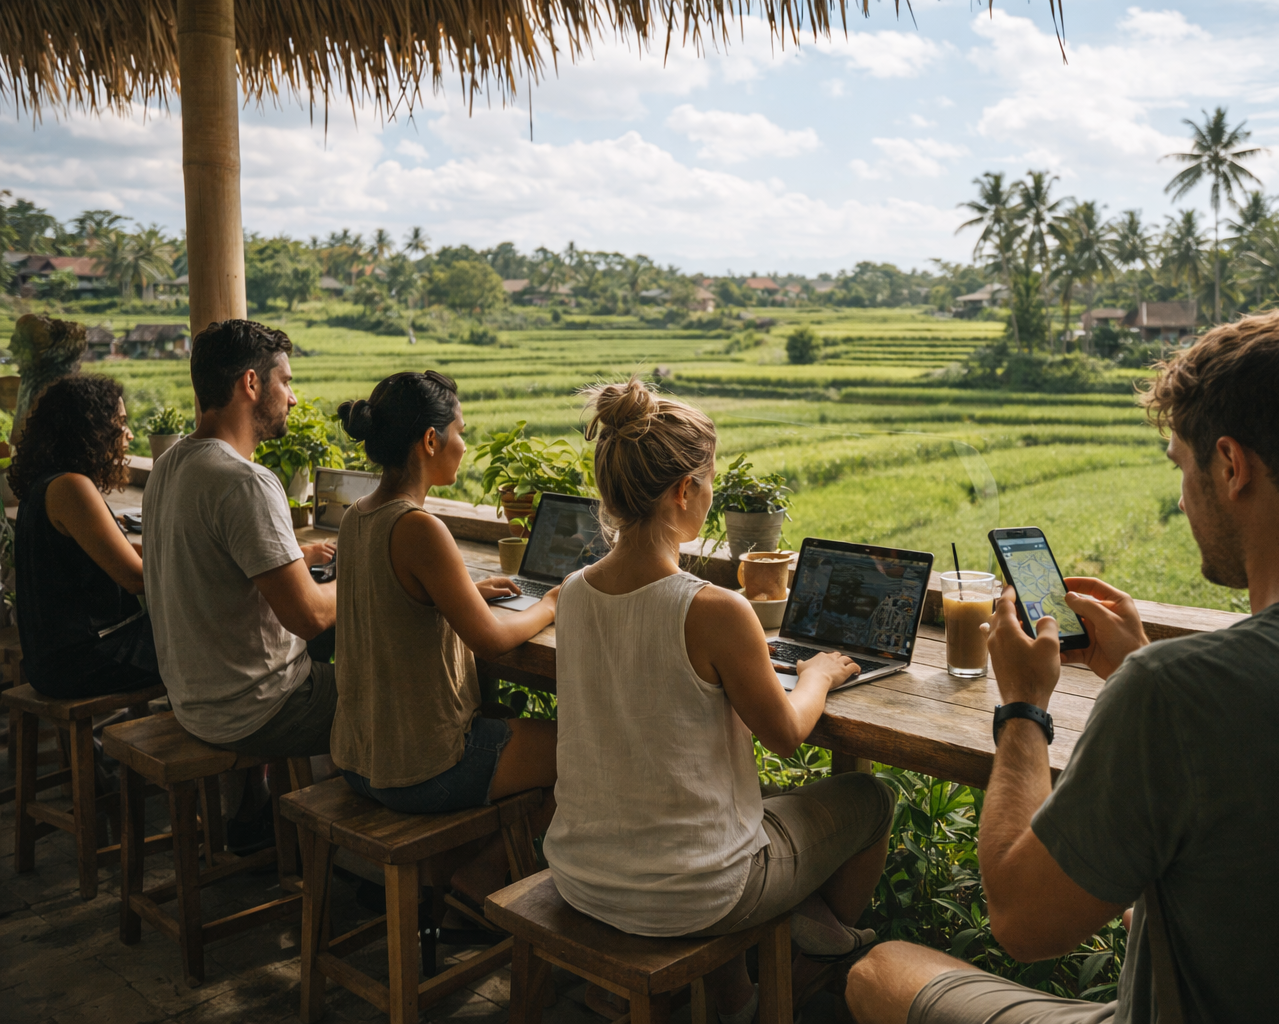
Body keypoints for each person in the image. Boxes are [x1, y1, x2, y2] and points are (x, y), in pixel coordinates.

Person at [845, 308, 1279, 1023]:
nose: (1182, 496)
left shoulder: (1177, 696)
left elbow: (1022, 923)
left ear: (1232, 466)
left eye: (1182, 464)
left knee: (881, 971)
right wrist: (1142, 666)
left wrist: (1023, 707)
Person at [543, 378, 896, 1022]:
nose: (709, 494)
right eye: (707, 480)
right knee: (871, 800)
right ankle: (808, 967)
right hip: (696, 893)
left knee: (727, 813)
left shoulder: (571, 593)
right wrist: (816, 674)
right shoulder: (713, 609)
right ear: (684, 492)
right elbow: (787, 734)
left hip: (582, 874)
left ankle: (742, 979)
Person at [332, 371, 558, 904]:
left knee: (508, 719)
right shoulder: (419, 527)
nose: (464, 444)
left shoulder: (357, 516)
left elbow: (394, 591)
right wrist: (550, 603)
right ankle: (482, 880)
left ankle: (471, 872)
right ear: (430, 441)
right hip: (419, 768)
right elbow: (491, 642)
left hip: (358, 759)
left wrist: (461, 588)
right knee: (584, 750)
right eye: (460, 430)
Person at [142, 319, 337, 757]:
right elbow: (308, 617)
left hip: (194, 704)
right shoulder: (245, 481)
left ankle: (257, 811)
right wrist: (368, 572)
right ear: (251, 383)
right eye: (285, 382)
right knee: (403, 689)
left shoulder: (170, 464)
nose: (293, 397)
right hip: (260, 711)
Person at [9, 374, 161, 698]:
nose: (129, 435)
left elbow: (113, 553)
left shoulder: (46, 484)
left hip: (56, 660)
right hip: (84, 661)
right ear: (91, 431)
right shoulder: (72, 487)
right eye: (120, 423)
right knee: (206, 633)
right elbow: (135, 579)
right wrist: (208, 565)